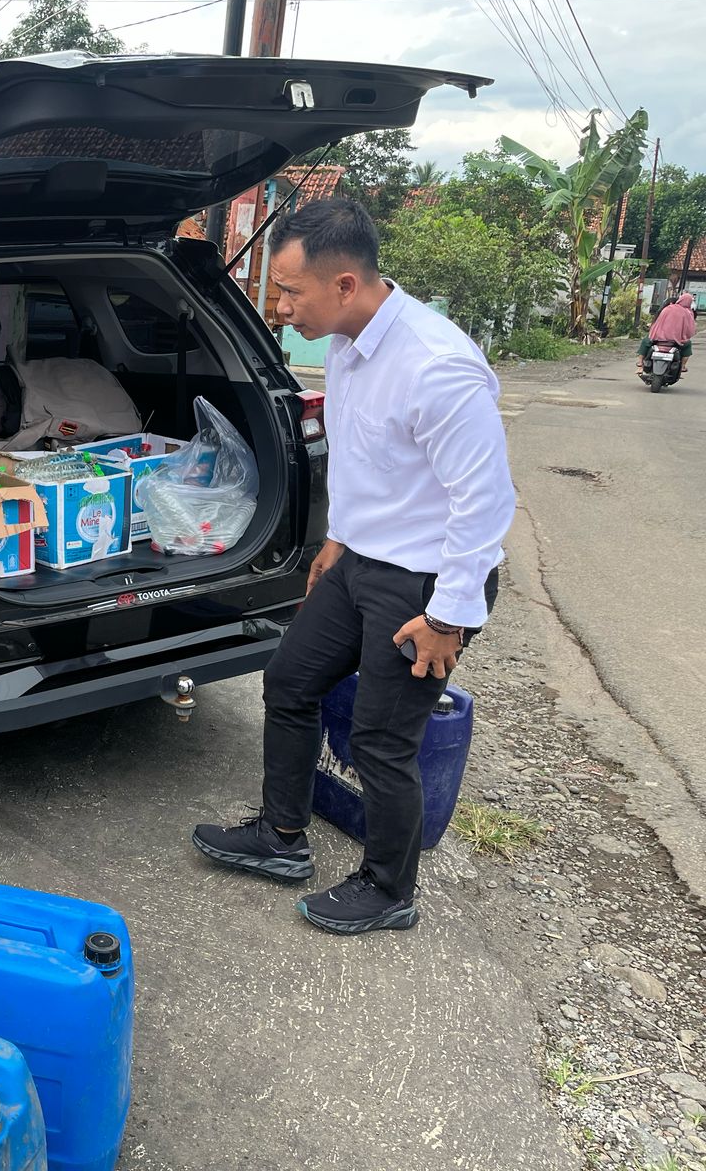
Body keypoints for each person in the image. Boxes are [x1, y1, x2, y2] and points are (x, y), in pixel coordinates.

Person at [191, 198, 515, 935]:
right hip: (362, 559)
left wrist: (447, 618)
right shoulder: (345, 341)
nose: (278, 308)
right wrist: (336, 538)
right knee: (289, 681)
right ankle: (281, 836)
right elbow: (362, 456)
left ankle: (389, 889)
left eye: (289, 291)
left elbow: (485, 503)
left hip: (427, 582)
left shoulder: (437, 367)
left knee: (380, 740)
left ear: (344, 284)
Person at [639, 291, 695, 376]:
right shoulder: (688, 313)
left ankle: (640, 363)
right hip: (676, 341)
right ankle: (683, 366)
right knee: (688, 345)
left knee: (645, 341)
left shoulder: (668, 308)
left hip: (658, 338)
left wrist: (654, 330)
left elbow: (657, 321)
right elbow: (690, 330)